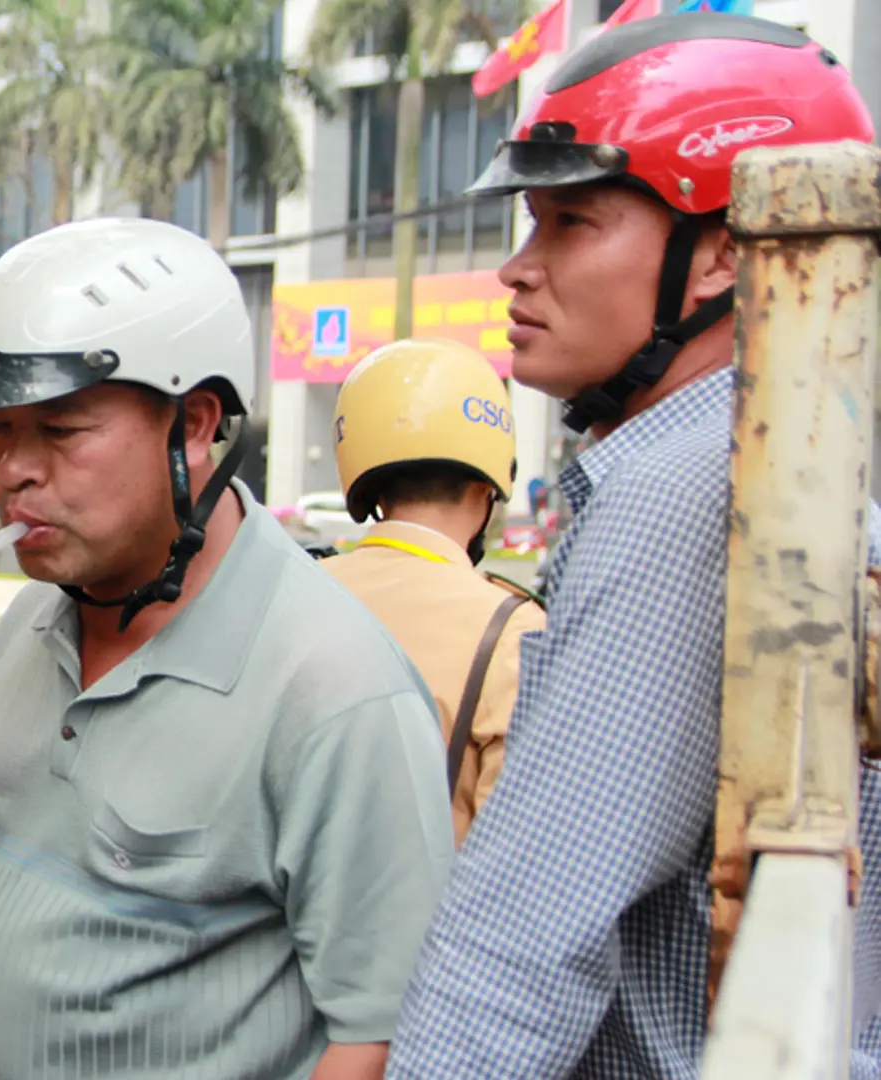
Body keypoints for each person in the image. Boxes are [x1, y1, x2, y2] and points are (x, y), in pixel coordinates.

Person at [384, 14, 881, 1077]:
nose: (517, 270)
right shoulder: (791, 457)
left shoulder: (686, 487)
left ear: (714, 255)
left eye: (569, 223)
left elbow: (522, 940)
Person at [0, 217, 455, 1079]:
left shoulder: (334, 688)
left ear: (197, 425)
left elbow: (380, 1034)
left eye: (59, 431)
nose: (13, 469)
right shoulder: (25, 628)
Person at [321, 338, 546, 845]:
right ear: (486, 487)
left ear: (369, 489)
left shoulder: (292, 593)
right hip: (427, 918)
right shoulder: (513, 629)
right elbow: (512, 854)